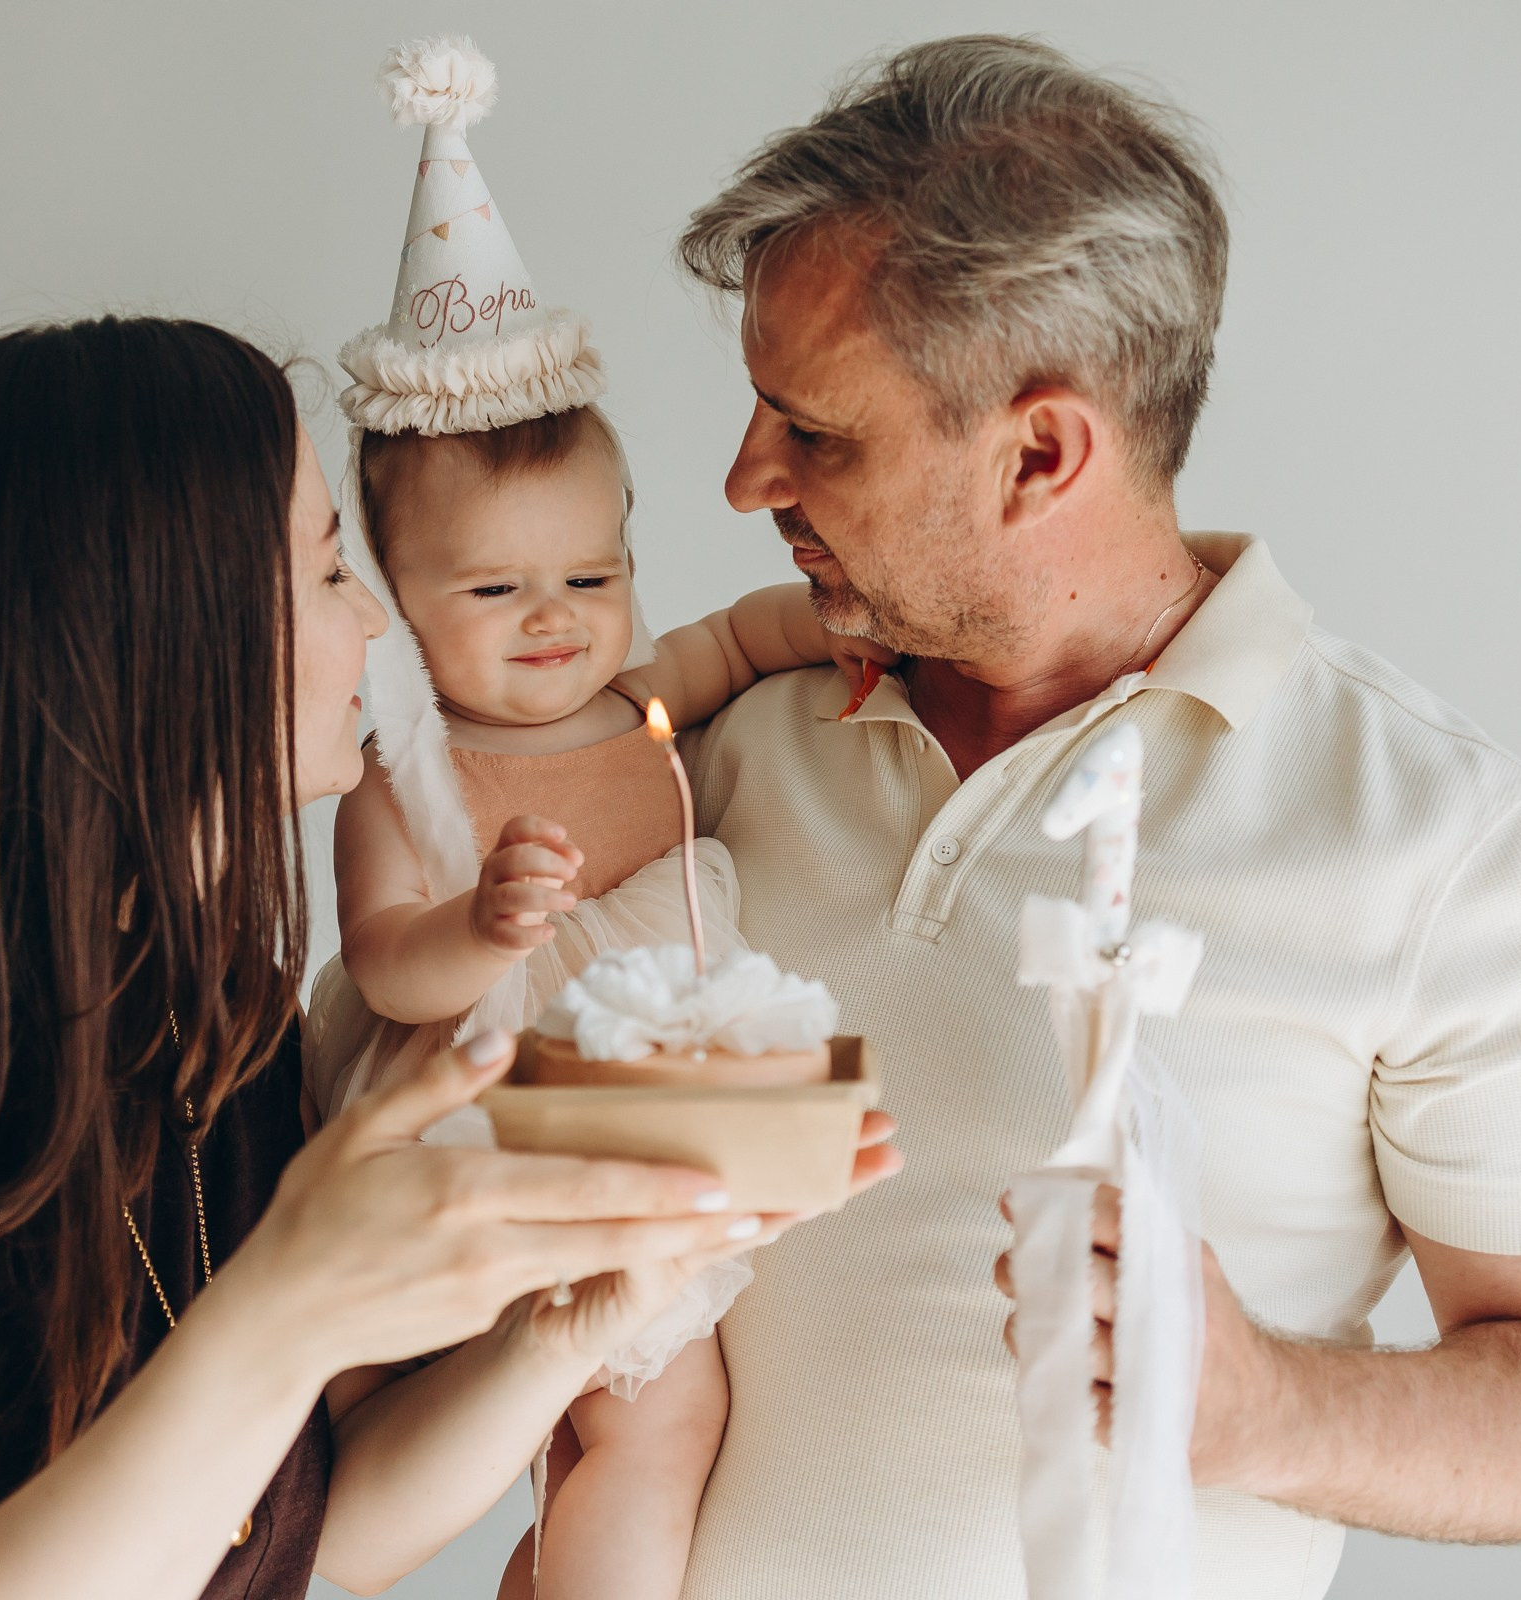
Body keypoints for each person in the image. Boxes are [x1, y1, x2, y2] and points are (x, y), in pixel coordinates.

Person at [0, 316, 895, 1600]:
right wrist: (288, 1305)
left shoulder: (207, 1038)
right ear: (161, 637)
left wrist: (591, 1311)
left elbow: (326, 1532)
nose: (374, 626)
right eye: (333, 567)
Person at [666, 35, 1521, 1598]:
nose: (747, 481)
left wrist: (1263, 1408)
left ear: (1039, 452)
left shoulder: (1451, 845)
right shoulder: (736, 736)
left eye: (814, 432)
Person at [307, 40, 893, 1600]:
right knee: (470, 1405)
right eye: (493, 593)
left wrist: (851, 639)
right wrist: (480, 923)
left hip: (647, 1108)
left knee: (651, 1414)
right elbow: (381, 971)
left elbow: (755, 635)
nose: (556, 623)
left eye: (591, 574)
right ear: (393, 610)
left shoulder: (645, 685)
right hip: (489, 1119)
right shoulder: (407, 779)